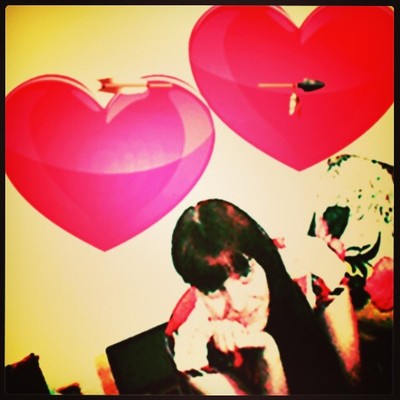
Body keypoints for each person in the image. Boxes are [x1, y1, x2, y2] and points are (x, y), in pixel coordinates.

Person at [164, 199, 351, 394]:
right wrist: (267, 355)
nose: (238, 304)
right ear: (196, 291)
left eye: (245, 274)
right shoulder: (190, 342)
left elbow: (353, 382)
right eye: (213, 290)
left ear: (263, 258)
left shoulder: (308, 263)